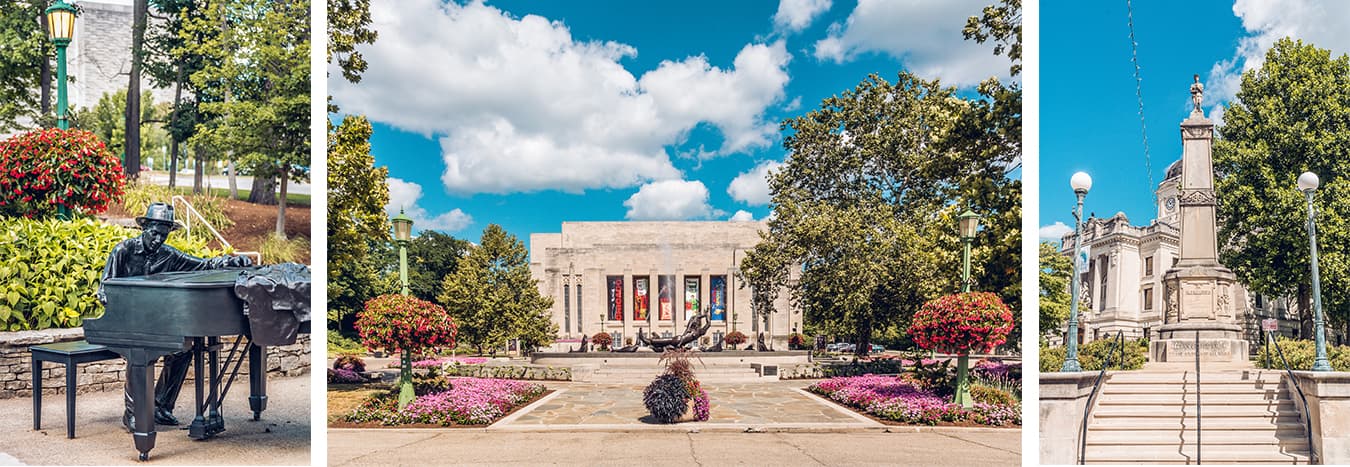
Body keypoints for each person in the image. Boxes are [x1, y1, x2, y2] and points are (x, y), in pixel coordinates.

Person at [98, 202, 252, 430]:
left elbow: (203, 265)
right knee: (137, 352)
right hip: (125, 322)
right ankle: (133, 412)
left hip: (155, 322)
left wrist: (230, 260)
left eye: (164, 235)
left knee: (184, 349)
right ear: (145, 228)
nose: (159, 239)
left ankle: (161, 406)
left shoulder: (168, 254)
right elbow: (104, 290)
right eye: (155, 233)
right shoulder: (123, 251)